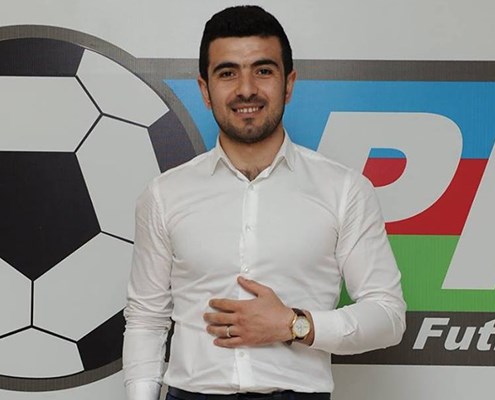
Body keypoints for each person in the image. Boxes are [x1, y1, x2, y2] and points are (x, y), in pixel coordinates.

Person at [123, 5, 406, 400]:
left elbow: (388, 315)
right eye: (227, 73)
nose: (246, 89)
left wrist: (294, 325)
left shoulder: (344, 190)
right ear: (205, 90)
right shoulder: (163, 195)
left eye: (263, 70)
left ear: (288, 83)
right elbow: (146, 320)